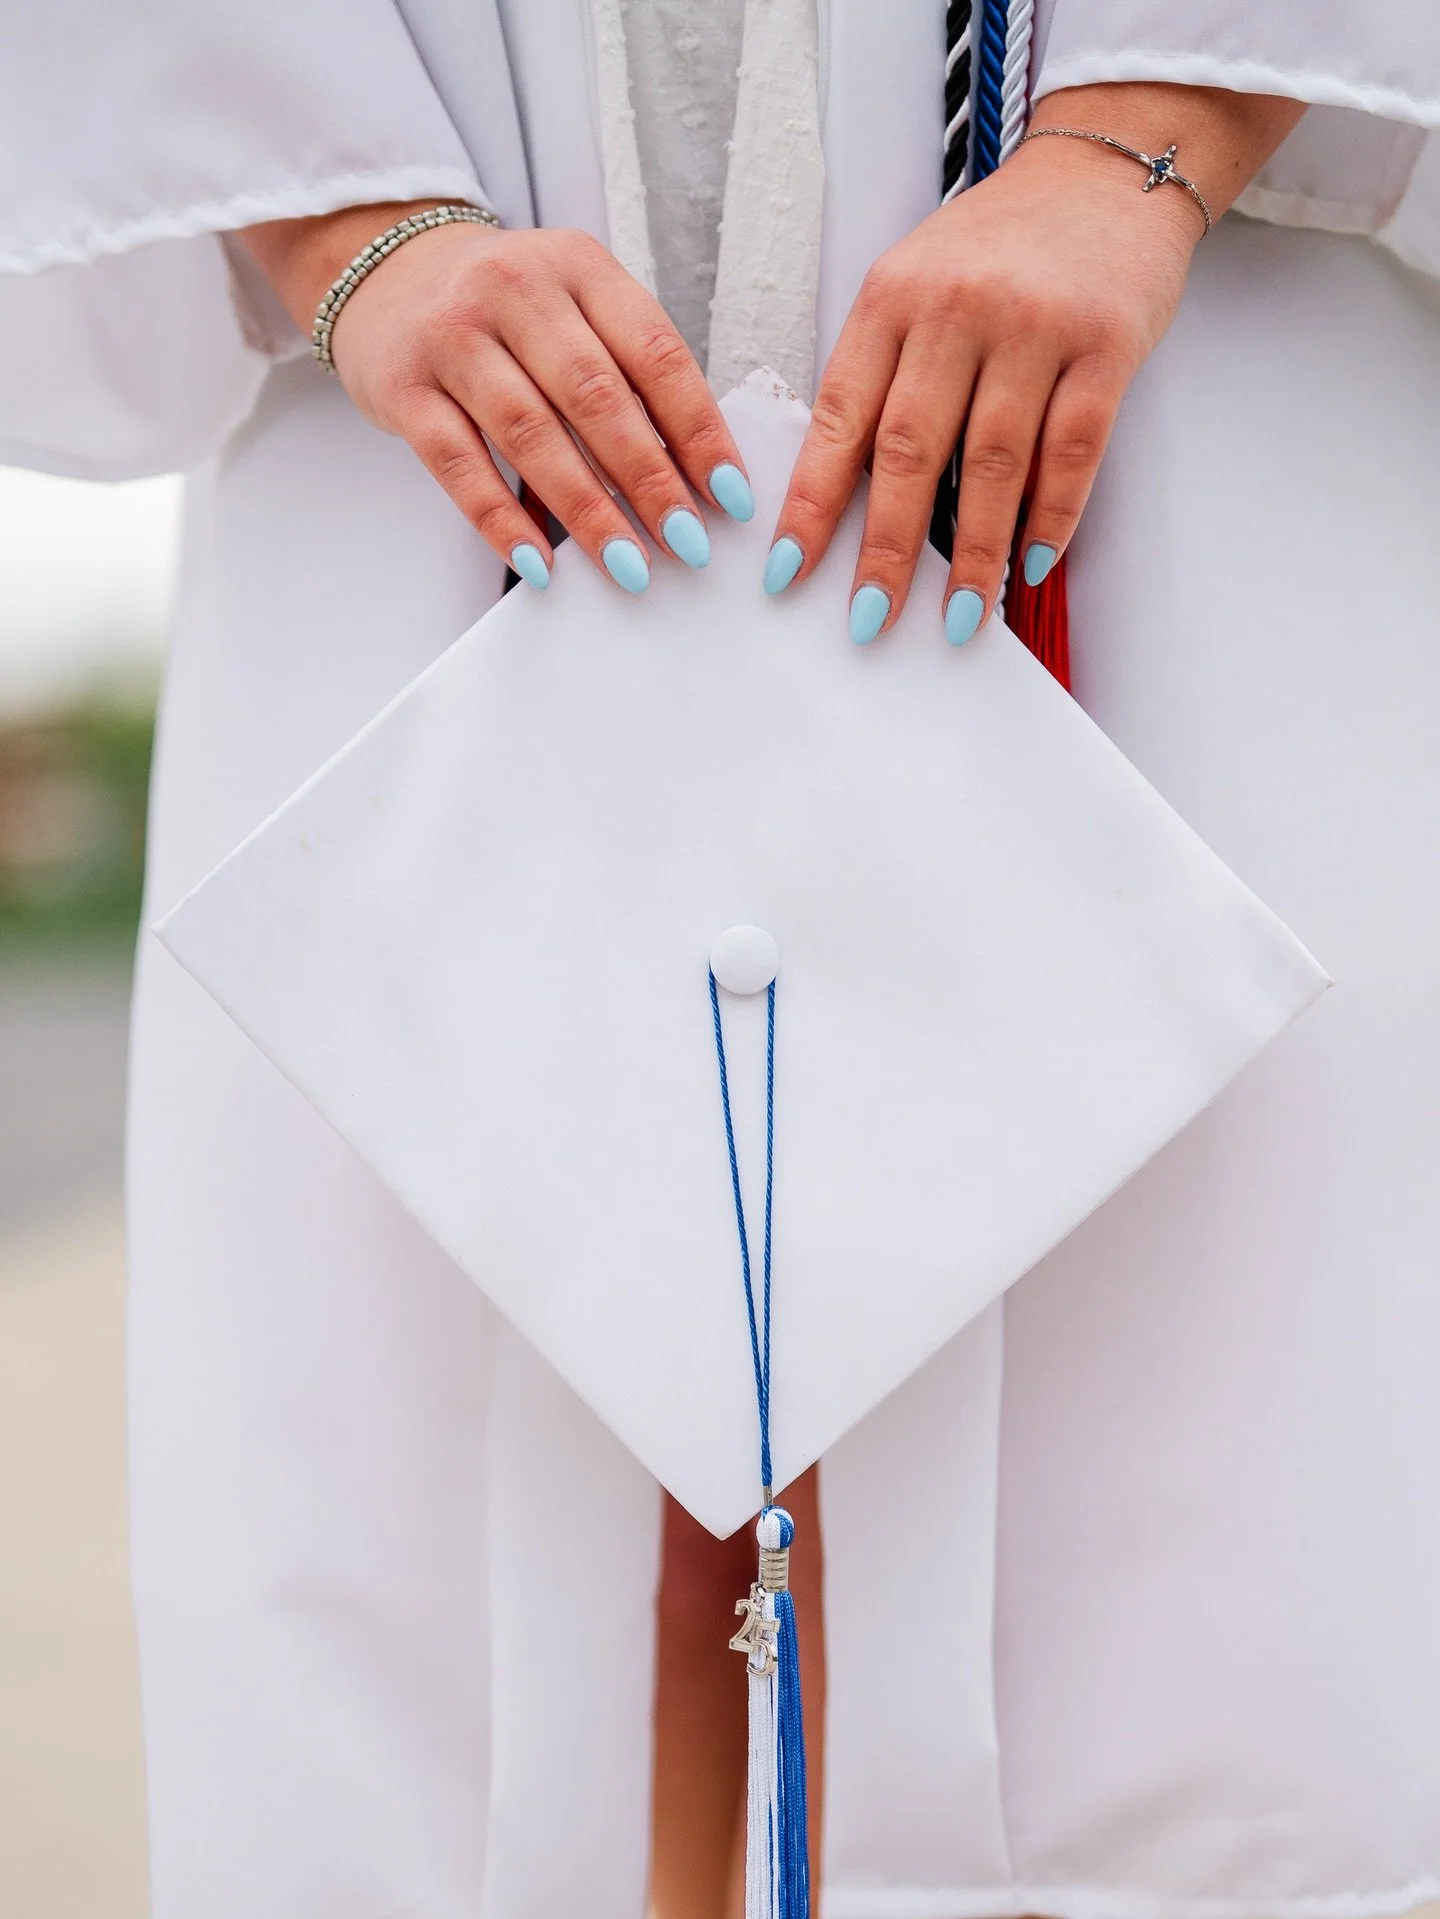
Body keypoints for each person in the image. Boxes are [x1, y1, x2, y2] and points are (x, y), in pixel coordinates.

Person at [1, 3, 1437, 1917]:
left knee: (1166, 1503)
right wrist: (339, 223)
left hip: (1152, 343)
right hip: (447, 386)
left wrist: (1146, 139)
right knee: (508, 1566)